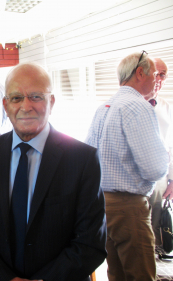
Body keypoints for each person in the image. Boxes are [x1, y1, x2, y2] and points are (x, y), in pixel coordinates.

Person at [0, 62, 107, 281]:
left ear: (51, 102)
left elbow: (91, 242)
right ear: (5, 105)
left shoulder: (82, 159)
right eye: (16, 98)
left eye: (36, 96)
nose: (26, 106)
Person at [85, 51, 169, 281]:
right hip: (129, 207)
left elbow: (87, 159)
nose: (157, 80)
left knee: (117, 274)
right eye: (155, 74)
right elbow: (154, 168)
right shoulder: (138, 106)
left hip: (103, 204)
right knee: (141, 274)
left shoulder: (104, 108)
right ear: (140, 73)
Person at [148, 58, 173, 251]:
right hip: (133, 182)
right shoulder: (130, 104)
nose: (158, 78)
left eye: (162, 74)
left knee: (155, 229)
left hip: (160, 180)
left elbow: (171, 145)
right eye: (155, 72)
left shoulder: (166, 107)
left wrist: (172, 179)